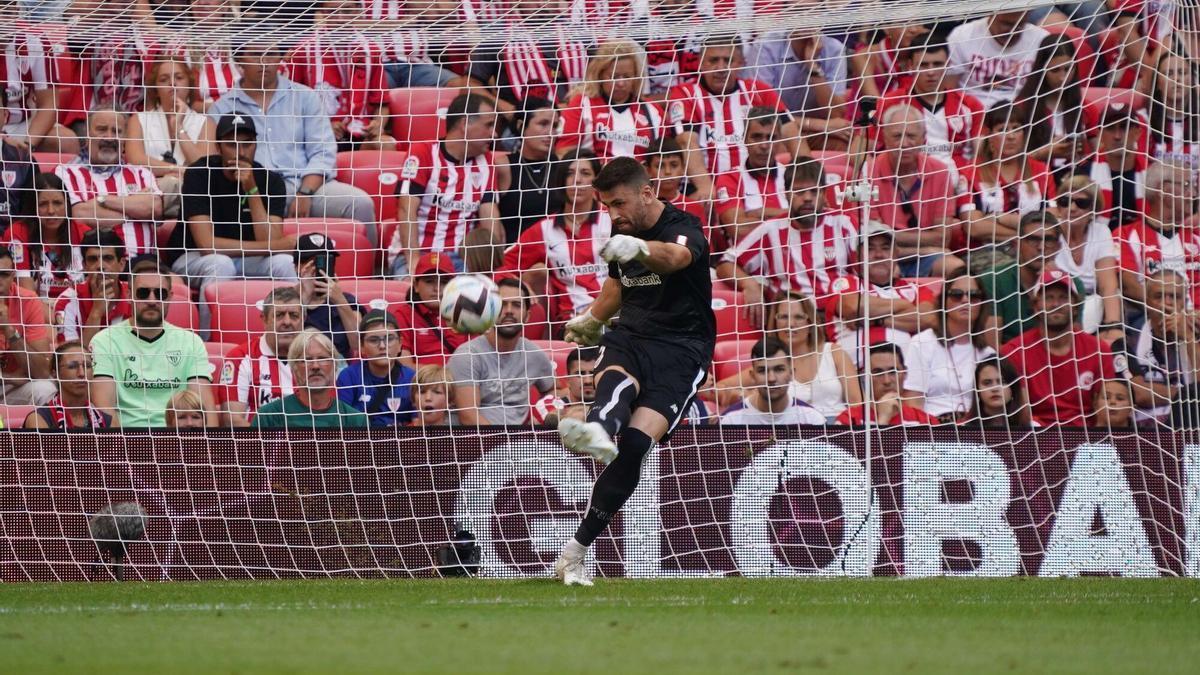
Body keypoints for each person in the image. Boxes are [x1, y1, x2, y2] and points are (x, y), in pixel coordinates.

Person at [551, 157, 715, 586]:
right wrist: (591, 319)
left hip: (683, 350)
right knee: (616, 386)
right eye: (606, 205)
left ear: (647, 192)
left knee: (637, 445)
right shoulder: (621, 231)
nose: (612, 214)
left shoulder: (684, 226)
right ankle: (598, 428)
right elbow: (617, 286)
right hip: (631, 336)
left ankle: (575, 552)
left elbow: (675, 258)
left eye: (618, 203)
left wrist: (641, 249)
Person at [208, 39, 376, 244]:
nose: (264, 62)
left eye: (271, 54)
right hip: (254, 192)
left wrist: (305, 192)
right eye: (255, 55)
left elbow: (323, 152)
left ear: (281, 58)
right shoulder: (221, 108)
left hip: (308, 186)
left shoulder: (305, 97)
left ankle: (372, 274)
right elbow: (220, 161)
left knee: (359, 203)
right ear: (239, 60)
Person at [169, 114, 297, 334]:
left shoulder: (271, 181)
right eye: (232, 144)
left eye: (247, 144)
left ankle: (296, 341)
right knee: (220, 263)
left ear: (255, 146)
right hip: (192, 258)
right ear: (218, 148)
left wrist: (252, 189)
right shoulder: (199, 173)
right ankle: (208, 343)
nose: (240, 151)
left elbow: (272, 240)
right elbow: (206, 245)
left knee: (285, 262)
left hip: (247, 260)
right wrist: (273, 246)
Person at [716, 158, 857, 319]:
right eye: (799, 192)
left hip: (839, 315)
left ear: (824, 194)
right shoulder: (771, 230)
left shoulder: (843, 223)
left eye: (814, 191)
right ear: (786, 194)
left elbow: (866, 270)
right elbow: (725, 264)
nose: (807, 198)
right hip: (791, 321)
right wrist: (749, 284)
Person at [389, 93, 504, 276]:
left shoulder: (487, 162)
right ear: (465, 124)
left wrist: (493, 272)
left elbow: (490, 219)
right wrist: (414, 264)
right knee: (423, 295)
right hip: (419, 254)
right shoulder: (423, 153)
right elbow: (405, 210)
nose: (495, 133)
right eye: (489, 125)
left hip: (462, 260)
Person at [90, 260, 215, 428]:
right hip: (127, 442)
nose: (152, 300)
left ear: (170, 297)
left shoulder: (191, 342)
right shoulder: (104, 341)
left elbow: (205, 409)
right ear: (129, 295)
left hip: (178, 441)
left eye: (160, 294)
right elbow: (104, 410)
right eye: (143, 293)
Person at [667, 35, 793, 198]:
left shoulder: (759, 91)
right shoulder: (685, 94)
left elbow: (792, 132)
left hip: (755, 186)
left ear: (740, 63)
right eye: (713, 60)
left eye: (728, 60)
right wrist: (706, 187)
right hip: (706, 187)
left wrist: (808, 175)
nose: (721, 68)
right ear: (701, 63)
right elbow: (686, 142)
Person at [496, 151, 611, 330]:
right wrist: (522, 286)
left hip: (614, 318)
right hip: (571, 327)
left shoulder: (612, 220)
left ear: (596, 182)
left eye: (585, 173)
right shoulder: (544, 230)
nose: (577, 180)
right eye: (570, 174)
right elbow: (501, 268)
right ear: (561, 181)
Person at [1000, 268, 1116, 426]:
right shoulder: (1013, 351)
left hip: (1087, 439)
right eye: (1048, 298)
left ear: (1075, 306)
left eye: (1063, 298)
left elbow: (1105, 409)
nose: (1055, 304)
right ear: (1036, 306)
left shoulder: (1099, 350)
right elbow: (1019, 412)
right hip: (1035, 437)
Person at [864, 104, 969, 278]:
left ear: (923, 139)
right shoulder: (868, 172)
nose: (904, 144)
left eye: (911, 136)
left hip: (925, 257)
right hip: (881, 259)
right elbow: (876, 240)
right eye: (897, 136)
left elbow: (942, 239)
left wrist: (893, 235)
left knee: (955, 267)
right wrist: (926, 247)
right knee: (889, 271)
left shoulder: (940, 172)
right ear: (885, 139)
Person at [715, 294, 860, 417]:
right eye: (783, 317)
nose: (790, 324)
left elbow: (857, 404)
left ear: (810, 323)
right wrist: (743, 395)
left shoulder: (834, 353)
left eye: (798, 317)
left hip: (839, 430)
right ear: (775, 323)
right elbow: (717, 388)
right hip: (790, 434)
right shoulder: (768, 363)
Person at [55, 105, 163, 260]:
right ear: (86, 135)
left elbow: (154, 208)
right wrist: (135, 210)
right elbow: (78, 214)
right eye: (101, 129)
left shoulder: (141, 173)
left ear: (125, 138)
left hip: (144, 268)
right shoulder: (65, 172)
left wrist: (102, 201)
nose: (109, 137)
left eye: (116, 131)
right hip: (91, 266)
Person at [287, 0, 396, 152]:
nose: (340, 18)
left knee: (386, 145)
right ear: (322, 13)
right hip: (317, 134)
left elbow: (381, 103)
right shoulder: (302, 51)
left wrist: (378, 123)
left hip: (361, 133)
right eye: (332, 12)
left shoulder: (371, 50)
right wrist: (321, 125)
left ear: (358, 11)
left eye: (347, 10)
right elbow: (289, 103)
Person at [824, 223, 937, 367]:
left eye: (885, 248)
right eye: (870, 249)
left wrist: (877, 320)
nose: (878, 254)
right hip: (853, 377)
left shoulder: (915, 289)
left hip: (905, 376)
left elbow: (929, 318)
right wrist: (903, 305)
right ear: (857, 255)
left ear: (896, 254)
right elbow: (853, 307)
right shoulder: (845, 282)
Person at [448, 278, 556, 425]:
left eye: (517, 305)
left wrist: (544, 412)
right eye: (502, 304)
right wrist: (507, 443)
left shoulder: (534, 355)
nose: (509, 311)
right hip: (475, 442)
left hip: (520, 441)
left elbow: (556, 390)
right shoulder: (467, 355)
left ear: (528, 316)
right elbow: (469, 417)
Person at [903, 272, 997, 422]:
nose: (965, 300)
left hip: (976, 429)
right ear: (944, 302)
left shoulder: (988, 353)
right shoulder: (922, 343)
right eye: (956, 295)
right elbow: (913, 404)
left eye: (974, 295)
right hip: (932, 428)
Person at [961, 104, 1057, 250]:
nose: (1011, 136)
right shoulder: (971, 172)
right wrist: (1025, 236)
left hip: (1037, 251)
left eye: (1017, 129)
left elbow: (1051, 222)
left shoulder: (1041, 170)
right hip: (987, 252)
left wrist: (1001, 218)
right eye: (1003, 130)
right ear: (989, 136)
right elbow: (974, 227)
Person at [876, 32, 983, 164]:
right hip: (908, 178)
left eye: (937, 64)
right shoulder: (890, 104)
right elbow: (865, 151)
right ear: (911, 65)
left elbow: (981, 158)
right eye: (923, 65)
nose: (931, 72)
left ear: (948, 64)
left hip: (959, 179)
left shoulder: (971, 106)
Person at [979, 211, 1085, 343]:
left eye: (1049, 240)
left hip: (1056, 361)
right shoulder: (993, 279)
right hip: (1008, 360)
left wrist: (1053, 283)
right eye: (1033, 239)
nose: (1041, 247)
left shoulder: (1072, 284)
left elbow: (1075, 343)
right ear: (1017, 244)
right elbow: (992, 348)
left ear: (1058, 247)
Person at [1113, 269, 1200, 425]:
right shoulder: (1127, 341)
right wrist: (1189, 395)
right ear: (1147, 301)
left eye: (1174, 296)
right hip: (1145, 433)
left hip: (1191, 429)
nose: (1166, 303)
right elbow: (1138, 394)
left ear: (1184, 302)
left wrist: (1188, 338)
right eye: (1158, 296)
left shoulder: (1195, 337)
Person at [125, 58, 218, 203]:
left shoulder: (206, 123)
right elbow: (135, 160)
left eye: (179, 78)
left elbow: (206, 168)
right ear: (155, 89)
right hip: (148, 195)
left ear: (189, 84)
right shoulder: (138, 120)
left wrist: (179, 129)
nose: (172, 84)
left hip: (194, 198)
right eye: (164, 79)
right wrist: (178, 170)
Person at [556, 40, 665, 162]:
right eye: (614, 77)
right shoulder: (581, 105)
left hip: (639, 179)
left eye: (627, 77)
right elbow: (564, 153)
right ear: (600, 75)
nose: (621, 83)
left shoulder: (653, 111)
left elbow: (663, 159)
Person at [1112, 161, 1198, 309]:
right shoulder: (1126, 235)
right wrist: (1168, 311)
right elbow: (1128, 286)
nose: (1194, 194)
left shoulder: (1196, 234)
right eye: (1186, 185)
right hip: (1154, 320)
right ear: (1164, 190)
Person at [219, 286, 305, 428]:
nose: (287, 322)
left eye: (294, 316)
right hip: (257, 446)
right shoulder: (240, 358)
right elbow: (232, 421)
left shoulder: (315, 358)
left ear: (303, 320)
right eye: (279, 315)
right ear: (264, 320)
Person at [253, 329, 370, 429]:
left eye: (322, 358)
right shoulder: (268, 416)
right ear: (294, 370)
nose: (315, 366)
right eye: (307, 360)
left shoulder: (356, 421)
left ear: (335, 366)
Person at [1052, 176, 1124, 337]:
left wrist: (1113, 327)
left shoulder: (1101, 232)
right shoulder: (1050, 231)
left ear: (1093, 208)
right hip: (1056, 308)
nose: (1072, 208)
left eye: (1081, 203)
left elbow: (1109, 287)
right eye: (1065, 201)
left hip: (1092, 310)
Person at [711, 107, 789, 243]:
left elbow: (814, 217)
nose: (764, 145)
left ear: (780, 141)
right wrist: (789, 215)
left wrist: (760, 213)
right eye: (757, 137)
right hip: (746, 260)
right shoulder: (730, 178)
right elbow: (738, 229)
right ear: (745, 139)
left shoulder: (792, 174)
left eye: (771, 138)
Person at [1012, 35, 1086, 173]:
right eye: (1055, 70)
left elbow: (1098, 157)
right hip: (1035, 181)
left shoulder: (1086, 108)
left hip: (1076, 184)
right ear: (1042, 70)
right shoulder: (1022, 107)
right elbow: (1009, 164)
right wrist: (1044, 153)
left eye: (1068, 68)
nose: (1062, 77)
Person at [947, 11, 1048, 108]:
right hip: (972, 112)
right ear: (991, 14)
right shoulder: (962, 36)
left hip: (1022, 114)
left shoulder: (1042, 39)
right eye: (1006, 24)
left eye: (1020, 24)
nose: (1012, 31)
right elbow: (949, 91)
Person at [1, 173, 80, 299]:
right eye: (43, 204)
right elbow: (27, 296)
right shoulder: (17, 233)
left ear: (67, 205)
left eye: (57, 203)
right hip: (36, 312)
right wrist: (58, 318)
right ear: (33, 207)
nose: (51, 211)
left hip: (77, 311)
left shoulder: (81, 231)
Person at [746, 29, 849, 124]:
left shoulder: (834, 49)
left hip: (817, 130)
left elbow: (836, 114)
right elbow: (762, 113)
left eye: (813, 11)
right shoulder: (765, 47)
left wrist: (812, 65)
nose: (806, 17)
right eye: (800, 10)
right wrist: (818, 125)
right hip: (775, 129)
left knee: (841, 139)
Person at [336, 309, 417, 427]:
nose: (382, 346)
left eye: (389, 338)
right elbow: (343, 424)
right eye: (374, 340)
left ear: (400, 344)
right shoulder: (349, 377)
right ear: (362, 347)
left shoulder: (412, 379)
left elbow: (419, 424)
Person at [719, 336, 826, 425]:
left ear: (791, 373)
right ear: (752, 376)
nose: (771, 378)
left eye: (779, 369)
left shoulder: (812, 420)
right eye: (762, 371)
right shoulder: (730, 420)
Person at [51, 228, 128, 346]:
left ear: (122, 264)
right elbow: (73, 359)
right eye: (93, 259)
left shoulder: (138, 295)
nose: (100, 266)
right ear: (84, 266)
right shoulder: (66, 301)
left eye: (108, 258)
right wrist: (96, 312)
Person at [0, 246, 54, 405]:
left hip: (11, 387)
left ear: (13, 276)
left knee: (45, 390)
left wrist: (8, 329)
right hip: (9, 379)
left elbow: (42, 372)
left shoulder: (28, 300)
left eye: (3, 274)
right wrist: (7, 376)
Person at [392, 251, 467, 366]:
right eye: (429, 281)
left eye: (444, 282)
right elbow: (404, 366)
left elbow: (478, 359)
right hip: (421, 382)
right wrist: (440, 377)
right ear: (416, 286)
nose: (437, 289)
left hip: (463, 381)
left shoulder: (465, 313)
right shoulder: (403, 315)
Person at [498, 97, 557, 242]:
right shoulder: (503, 166)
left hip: (555, 256)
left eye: (555, 125)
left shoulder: (563, 165)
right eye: (543, 124)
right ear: (521, 126)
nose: (550, 132)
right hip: (514, 256)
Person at [295, 233, 362, 359]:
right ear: (297, 267)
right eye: (311, 263)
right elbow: (283, 344)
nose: (318, 269)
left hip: (338, 370)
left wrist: (339, 300)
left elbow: (359, 345)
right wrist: (305, 297)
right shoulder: (284, 299)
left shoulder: (347, 300)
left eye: (325, 262)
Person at [835, 343, 937, 426]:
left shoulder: (925, 422)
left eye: (893, 372)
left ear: (905, 373)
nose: (887, 381)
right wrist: (883, 419)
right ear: (865, 377)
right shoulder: (849, 419)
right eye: (878, 372)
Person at [23, 340, 112, 429]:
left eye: (87, 366)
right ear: (55, 373)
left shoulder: (105, 421)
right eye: (72, 366)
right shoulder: (39, 419)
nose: (81, 373)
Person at [643, 138, 713, 250]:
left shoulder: (694, 208)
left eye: (674, 165)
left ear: (683, 168)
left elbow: (706, 250)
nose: (668, 171)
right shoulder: (642, 206)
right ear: (648, 170)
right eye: (660, 166)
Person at [1084, 104, 1147, 227]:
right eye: (1110, 128)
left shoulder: (1152, 176)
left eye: (1124, 127)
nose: (1117, 136)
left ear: (1138, 133)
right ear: (1100, 134)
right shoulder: (1085, 174)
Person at [1144, 51, 1199, 166]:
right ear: (1158, 83)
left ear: (1192, 81)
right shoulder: (1143, 120)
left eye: (1182, 72)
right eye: (1168, 73)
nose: (1176, 79)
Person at [960, 356, 1033, 428]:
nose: (995, 389)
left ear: (1013, 387)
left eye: (1002, 382)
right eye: (987, 383)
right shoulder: (962, 429)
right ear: (977, 389)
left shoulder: (1034, 427)